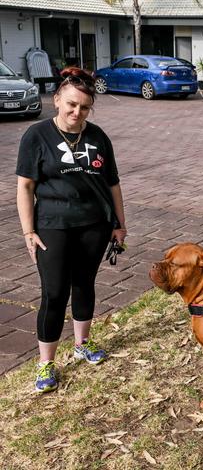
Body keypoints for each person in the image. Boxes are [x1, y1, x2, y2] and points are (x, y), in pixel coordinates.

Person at [16, 67, 126, 393]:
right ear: (56, 101)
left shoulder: (97, 136)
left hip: (94, 225)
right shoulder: (36, 136)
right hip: (52, 226)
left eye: (85, 107)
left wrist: (120, 224)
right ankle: (45, 362)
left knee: (84, 285)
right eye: (72, 105)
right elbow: (25, 187)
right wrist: (27, 231)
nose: (77, 112)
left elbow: (113, 184)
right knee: (53, 293)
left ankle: (82, 345)